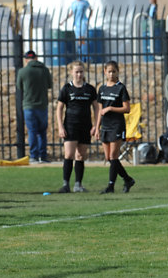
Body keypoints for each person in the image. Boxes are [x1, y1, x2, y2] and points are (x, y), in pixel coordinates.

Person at [56, 61, 99, 193]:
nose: (79, 74)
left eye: (81, 72)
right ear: (71, 73)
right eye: (76, 72)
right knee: (69, 154)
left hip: (85, 126)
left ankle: (78, 185)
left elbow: (96, 108)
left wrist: (96, 126)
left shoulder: (90, 89)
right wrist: (60, 127)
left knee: (81, 155)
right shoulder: (66, 88)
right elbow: (59, 108)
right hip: (70, 125)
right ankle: (65, 185)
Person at [95, 60, 135, 194]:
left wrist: (111, 108)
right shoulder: (102, 89)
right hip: (105, 126)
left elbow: (127, 108)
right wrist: (97, 127)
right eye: (109, 71)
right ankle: (128, 179)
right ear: (105, 72)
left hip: (117, 125)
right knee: (109, 158)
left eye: (114, 71)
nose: (111, 74)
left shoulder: (121, 88)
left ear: (118, 72)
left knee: (113, 155)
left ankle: (110, 186)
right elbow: (100, 111)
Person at [17, 50, 53, 163]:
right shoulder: (44, 70)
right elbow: (50, 85)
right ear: (36, 58)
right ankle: (43, 156)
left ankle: (34, 156)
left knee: (32, 131)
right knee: (42, 132)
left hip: (29, 106)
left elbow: (19, 86)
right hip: (42, 105)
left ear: (26, 59)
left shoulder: (22, 71)